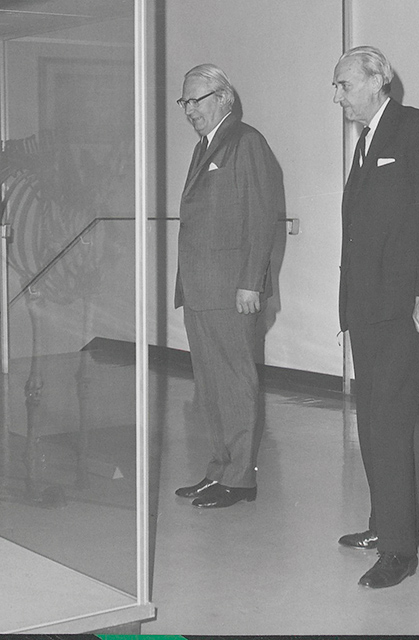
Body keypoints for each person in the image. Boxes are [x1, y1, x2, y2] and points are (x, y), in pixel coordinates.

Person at [333, 46, 419, 589]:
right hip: (367, 306)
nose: (336, 94)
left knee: (387, 423)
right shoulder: (366, 142)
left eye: (342, 83)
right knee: (372, 422)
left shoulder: (416, 128)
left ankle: (400, 549)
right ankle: (383, 522)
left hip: (403, 308)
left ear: (376, 80)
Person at [173, 63, 284, 509]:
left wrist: (250, 283)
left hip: (231, 290)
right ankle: (218, 468)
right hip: (201, 288)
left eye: (194, 100)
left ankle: (240, 479)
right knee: (210, 384)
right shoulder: (206, 146)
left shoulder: (246, 142)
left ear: (223, 98)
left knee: (235, 383)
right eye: (184, 102)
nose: (188, 111)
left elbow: (261, 217)